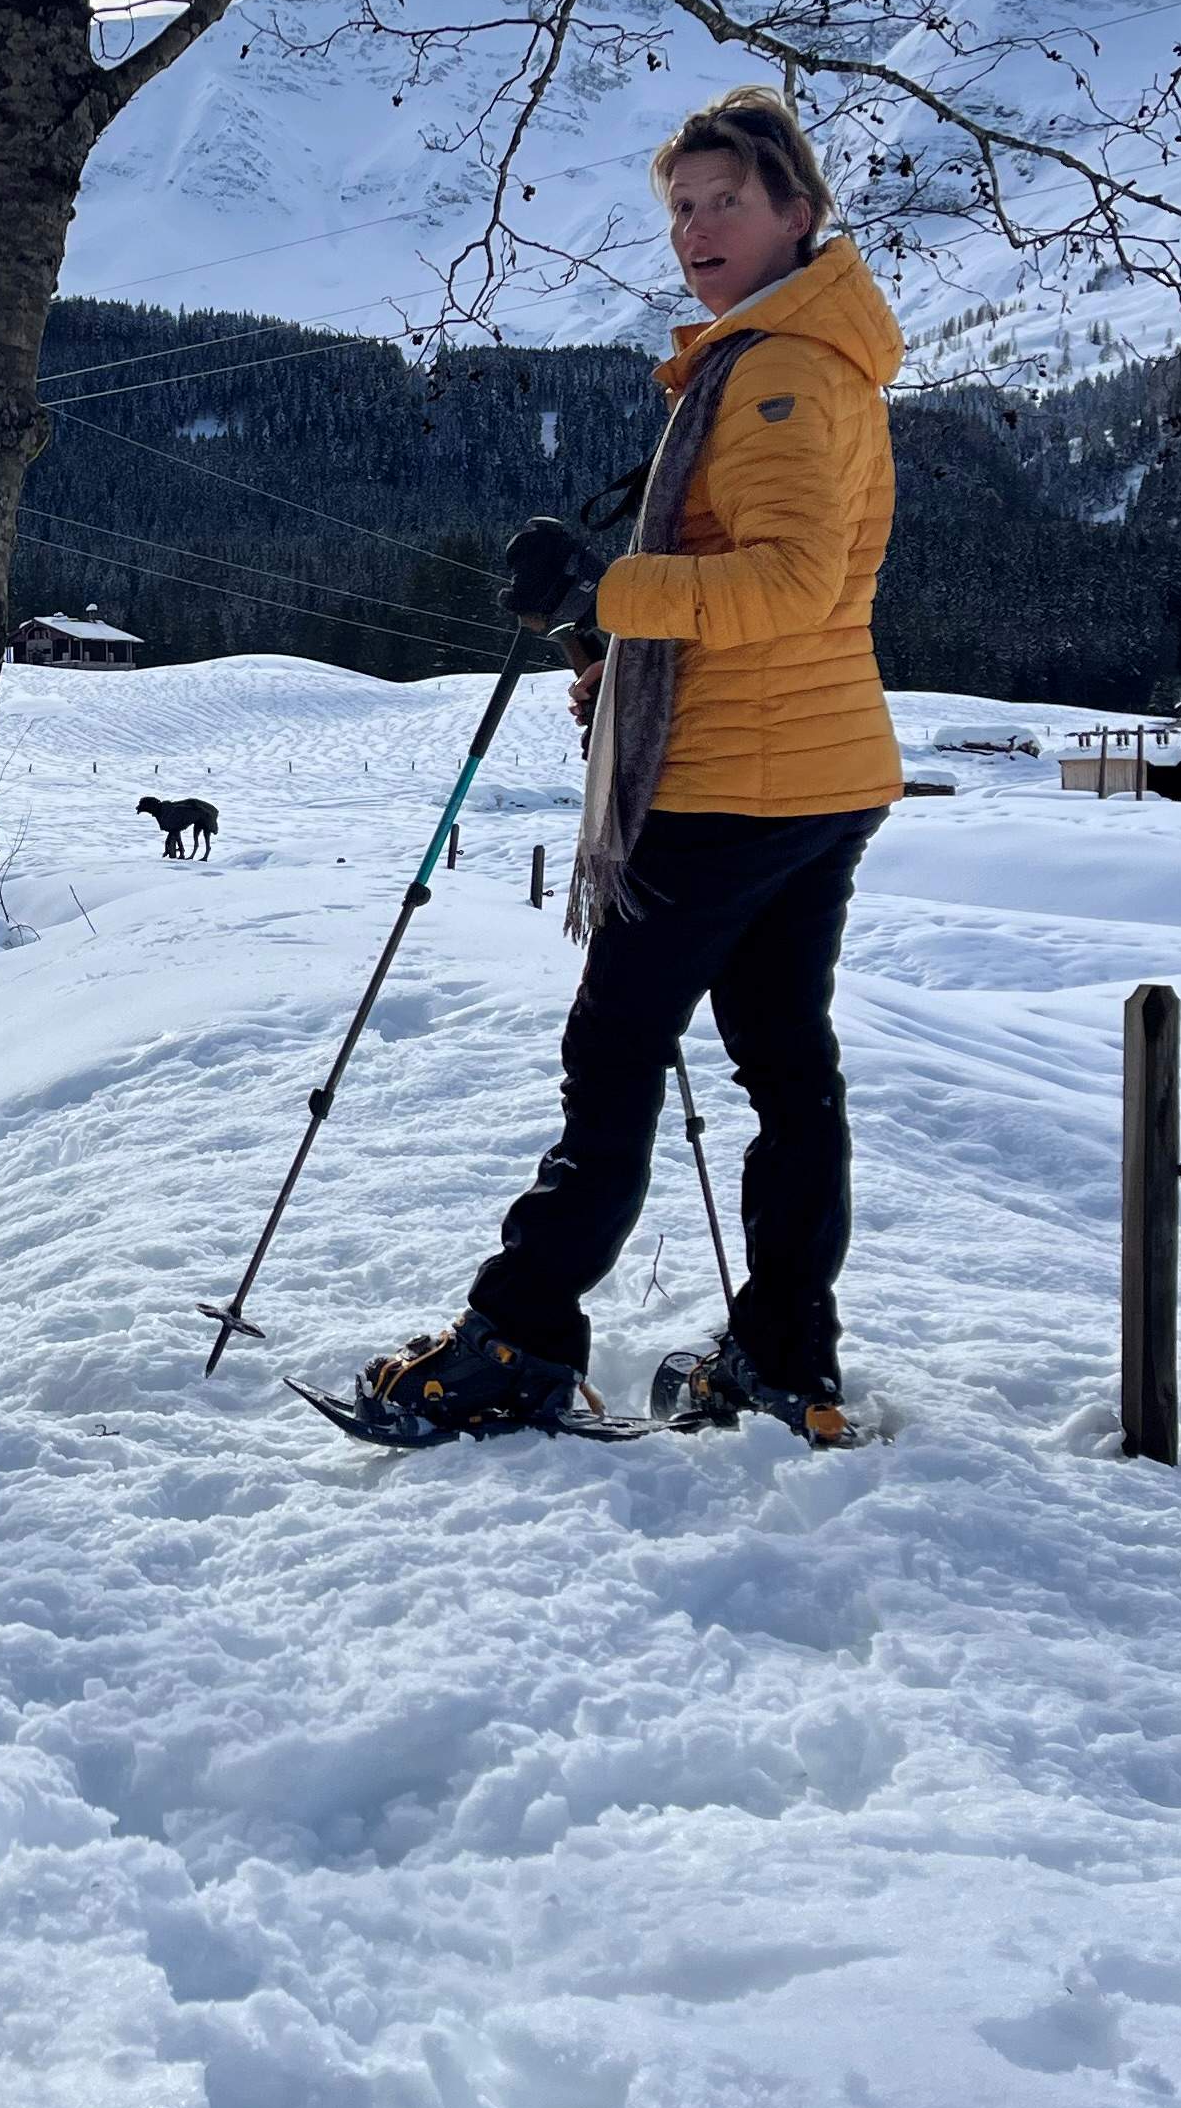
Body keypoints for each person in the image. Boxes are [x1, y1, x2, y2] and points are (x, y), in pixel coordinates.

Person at [336, 87, 902, 1449]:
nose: (698, 230)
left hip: (735, 790)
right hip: (813, 770)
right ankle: (783, 1356)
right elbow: (779, 599)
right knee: (786, 1070)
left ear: (798, 214)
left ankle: (521, 1338)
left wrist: (610, 587)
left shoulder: (773, 373)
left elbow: (785, 581)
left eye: (727, 202)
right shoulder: (805, 354)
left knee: (616, 1055)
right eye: (682, 208)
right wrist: (632, 650)